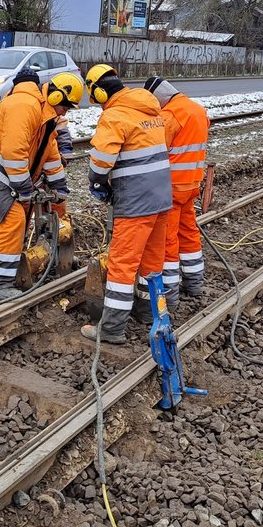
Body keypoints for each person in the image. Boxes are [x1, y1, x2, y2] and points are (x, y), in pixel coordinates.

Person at [0, 67, 83, 299]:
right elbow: (14, 152)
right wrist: (24, 190)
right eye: (66, 106)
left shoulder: (44, 115)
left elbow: (49, 155)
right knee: (13, 220)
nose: (65, 113)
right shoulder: (26, 106)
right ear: (56, 96)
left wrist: (59, 187)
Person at [80, 64, 172, 344]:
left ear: (97, 92)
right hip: (161, 198)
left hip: (136, 202)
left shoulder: (115, 116)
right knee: (152, 261)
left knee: (122, 264)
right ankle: (147, 312)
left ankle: (111, 329)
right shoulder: (149, 111)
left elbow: (101, 161)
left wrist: (97, 184)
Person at [143, 76, 210, 311]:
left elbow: (155, 151)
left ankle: (170, 296)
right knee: (189, 232)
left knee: (168, 239)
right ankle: (194, 282)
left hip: (171, 188)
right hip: (192, 184)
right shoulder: (198, 110)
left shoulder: (169, 116)